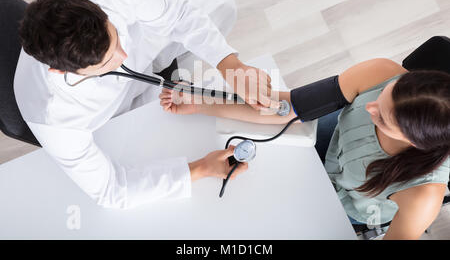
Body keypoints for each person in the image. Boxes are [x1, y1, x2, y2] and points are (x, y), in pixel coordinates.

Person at [14, 0, 274, 209]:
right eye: (106, 61)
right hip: (112, 114)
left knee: (219, 2)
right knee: (164, 136)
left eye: (114, 37)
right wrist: (201, 168)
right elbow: (111, 190)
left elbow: (179, 13)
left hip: (144, 40)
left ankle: (169, 70)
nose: (122, 55)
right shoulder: (52, 115)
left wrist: (231, 65)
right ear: (61, 72)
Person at [159, 58, 450, 240]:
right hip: (331, 139)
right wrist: (201, 102)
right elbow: (286, 107)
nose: (369, 107)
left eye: (382, 118)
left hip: (349, 205)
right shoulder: (380, 72)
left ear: (414, 141)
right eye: (383, 96)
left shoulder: (423, 196)